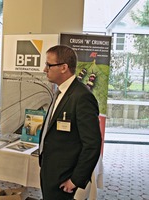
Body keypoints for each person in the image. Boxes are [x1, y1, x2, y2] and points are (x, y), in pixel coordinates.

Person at [39, 45, 102, 200]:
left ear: (64, 67)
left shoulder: (82, 97)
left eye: (49, 65)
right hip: (51, 171)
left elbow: (92, 144)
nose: (44, 69)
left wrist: (75, 180)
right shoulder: (60, 91)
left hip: (65, 178)